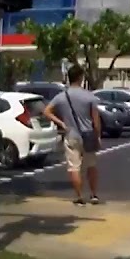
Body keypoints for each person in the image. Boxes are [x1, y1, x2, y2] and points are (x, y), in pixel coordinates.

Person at [44, 64, 103, 206]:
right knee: (91, 166)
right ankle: (94, 195)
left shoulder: (61, 97)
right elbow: (96, 119)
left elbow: (47, 111)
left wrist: (62, 124)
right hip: (88, 135)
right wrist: (98, 136)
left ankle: (79, 197)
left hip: (71, 135)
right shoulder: (89, 97)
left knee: (74, 167)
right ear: (81, 78)